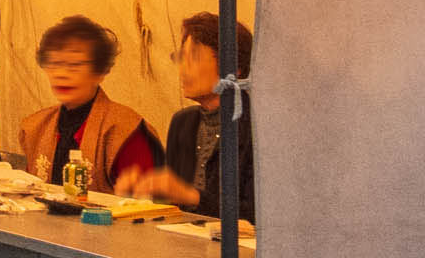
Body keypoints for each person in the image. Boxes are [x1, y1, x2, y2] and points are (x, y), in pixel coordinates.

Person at [118, 13, 256, 222]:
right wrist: (145, 188)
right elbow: (173, 206)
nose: (182, 69)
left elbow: (259, 215)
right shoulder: (183, 123)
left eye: (195, 58)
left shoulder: (257, 128)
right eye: (181, 58)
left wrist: (190, 196)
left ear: (233, 68)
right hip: (184, 239)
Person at [20, 15, 162, 188]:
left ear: (100, 72)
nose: (61, 74)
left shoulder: (127, 130)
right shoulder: (36, 126)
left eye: (75, 65)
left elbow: (151, 199)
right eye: (54, 63)